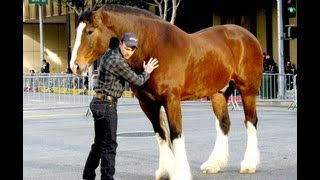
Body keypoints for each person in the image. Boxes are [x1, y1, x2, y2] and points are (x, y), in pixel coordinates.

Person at [82, 32, 159, 180]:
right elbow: (137, 80)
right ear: (121, 44)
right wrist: (147, 71)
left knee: (99, 143)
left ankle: (88, 175)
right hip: (107, 105)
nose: (129, 52)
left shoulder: (109, 54)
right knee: (109, 145)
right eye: (127, 48)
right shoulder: (117, 61)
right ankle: (107, 178)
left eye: (132, 50)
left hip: (99, 103)